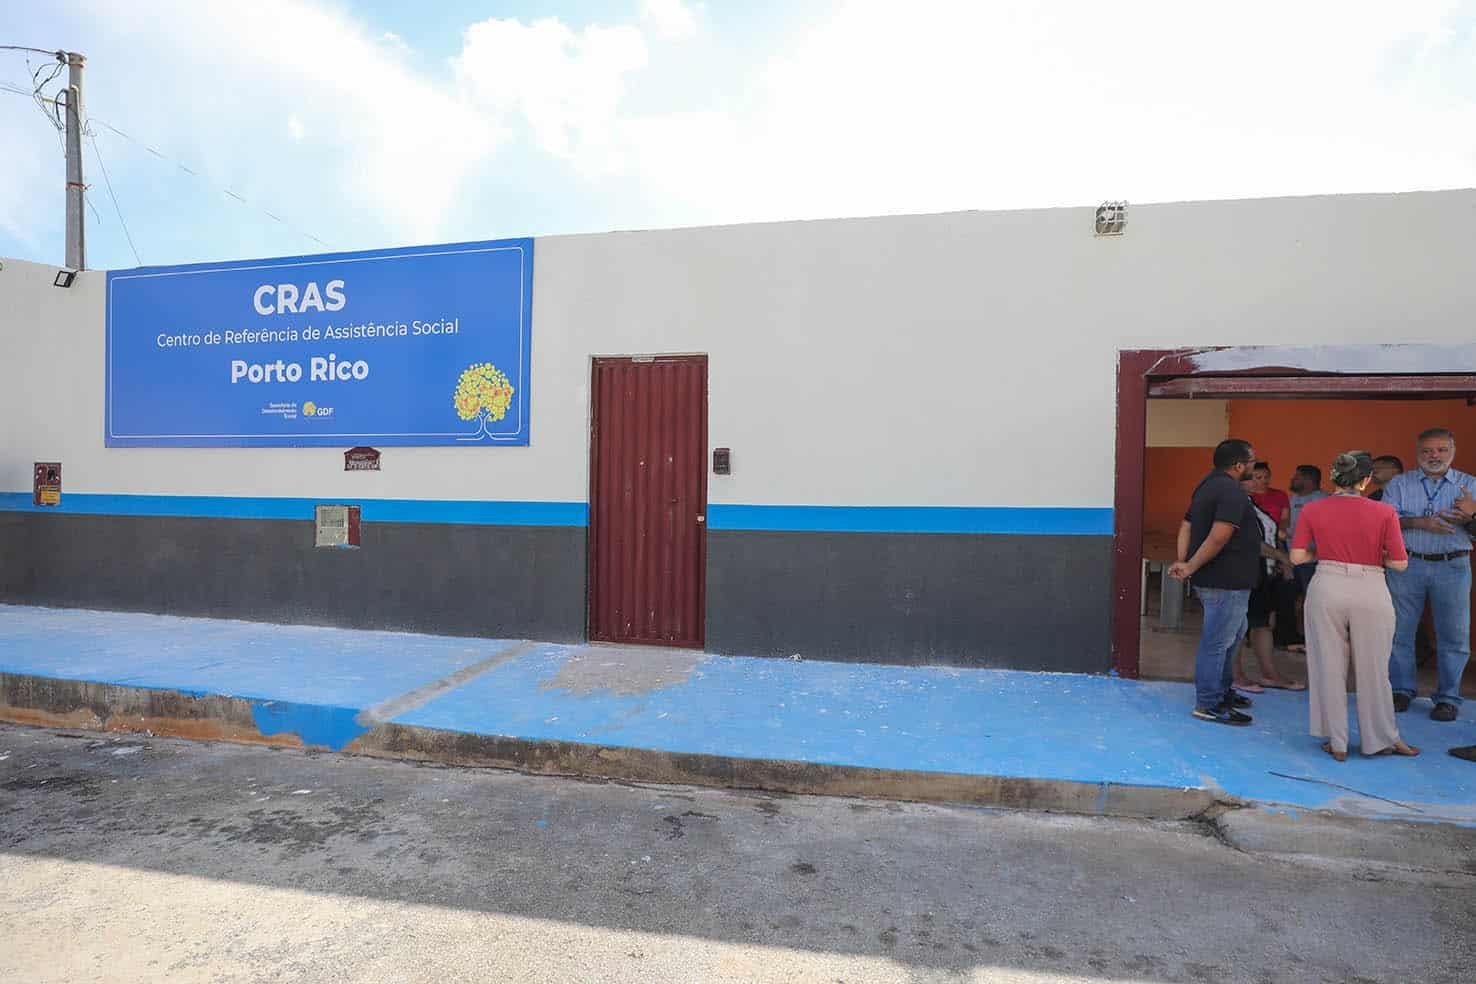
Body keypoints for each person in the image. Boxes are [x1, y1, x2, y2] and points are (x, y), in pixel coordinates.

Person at [1291, 451, 1418, 761]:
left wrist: (1324, 553)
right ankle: (1382, 738)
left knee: (1328, 664)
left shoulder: (1312, 509)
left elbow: (1297, 557)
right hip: (1370, 585)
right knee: (1375, 668)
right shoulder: (1384, 511)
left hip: (1327, 583)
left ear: (1333, 477)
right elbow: (1400, 563)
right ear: (1366, 480)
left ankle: (1337, 742)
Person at [1381, 428, 1476, 722]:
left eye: (1441, 450)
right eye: (1427, 450)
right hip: (1407, 564)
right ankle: (1401, 690)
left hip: (1453, 566)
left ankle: (1448, 698)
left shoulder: (1470, 485)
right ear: (1418, 452)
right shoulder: (1399, 483)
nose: (1434, 456)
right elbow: (1384, 522)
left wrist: (1471, 516)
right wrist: (1419, 523)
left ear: (1452, 452)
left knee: (1454, 635)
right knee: (1399, 631)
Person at [1167, 439, 1264, 726]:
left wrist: (1184, 560)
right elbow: (1219, 536)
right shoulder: (1230, 491)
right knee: (1218, 642)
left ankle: (1222, 690)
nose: (1254, 466)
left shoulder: (1207, 484)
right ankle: (1208, 703)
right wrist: (1189, 565)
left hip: (1223, 581)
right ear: (1239, 465)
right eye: (1252, 461)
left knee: (1233, 635)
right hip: (1225, 581)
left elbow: (1186, 525)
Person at [1236, 468, 1304, 692]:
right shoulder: (1235, 505)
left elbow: (1270, 534)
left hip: (1263, 573)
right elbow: (1249, 541)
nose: (1259, 482)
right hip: (1243, 573)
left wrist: (1278, 560)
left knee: (1263, 624)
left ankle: (1269, 674)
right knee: (1238, 626)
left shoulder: (1252, 504)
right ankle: (1235, 675)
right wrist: (1281, 557)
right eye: (1252, 478)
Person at [1280, 464, 1328, 651]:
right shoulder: (1292, 500)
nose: (1293, 479)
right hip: (1290, 560)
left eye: (1297, 477)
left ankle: (1316, 641)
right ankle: (1292, 637)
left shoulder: (1323, 500)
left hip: (1313, 561)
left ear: (1309, 480)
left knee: (1314, 602)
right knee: (1290, 600)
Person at [1249, 461, 1291, 542]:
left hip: (1276, 538)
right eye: (1259, 477)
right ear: (1250, 478)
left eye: (1266, 477)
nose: (1264, 480)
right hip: (1253, 539)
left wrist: (1281, 529)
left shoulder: (1280, 494)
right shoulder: (1245, 496)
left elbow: (1285, 518)